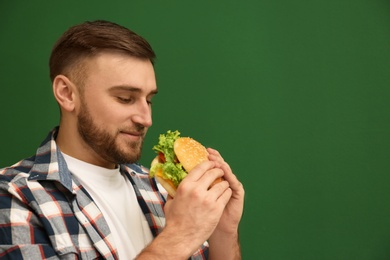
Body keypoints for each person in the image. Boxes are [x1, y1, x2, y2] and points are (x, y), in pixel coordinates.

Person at [0, 20, 244, 260]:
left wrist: (223, 232)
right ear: (67, 93)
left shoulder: (161, 190)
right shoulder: (15, 197)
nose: (146, 118)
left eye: (149, 100)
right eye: (125, 98)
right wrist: (179, 237)